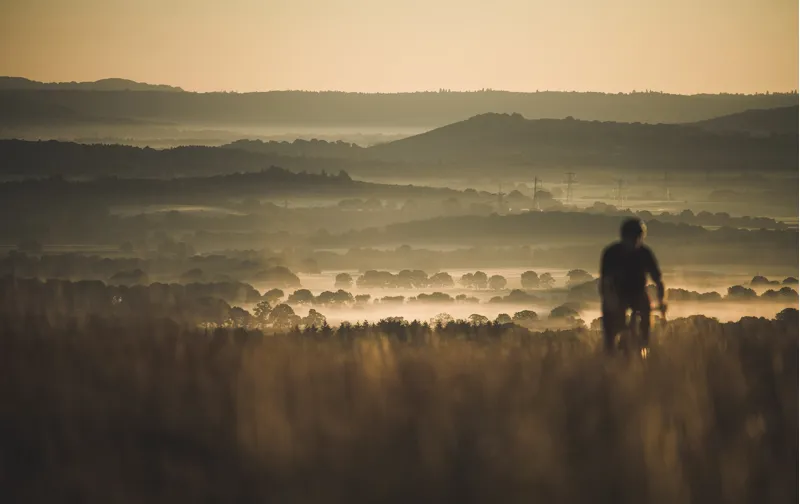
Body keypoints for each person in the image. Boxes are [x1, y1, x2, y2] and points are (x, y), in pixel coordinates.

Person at [599, 218, 666, 354]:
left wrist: (661, 301)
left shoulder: (645, 253)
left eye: (637, 238)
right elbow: (606, 282)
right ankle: (609, 349)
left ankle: (644, 343)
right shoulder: (611, 253)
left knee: (646, 314)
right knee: (611, 326)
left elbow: (658, 280)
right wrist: (611, 301)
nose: (634, 241)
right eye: (632, 238)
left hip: (637, 292)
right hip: (615, 292)